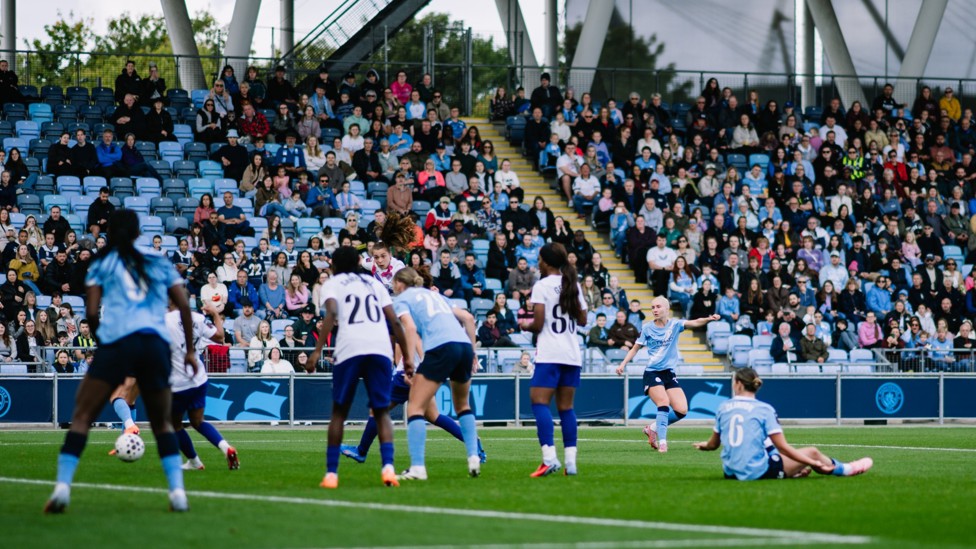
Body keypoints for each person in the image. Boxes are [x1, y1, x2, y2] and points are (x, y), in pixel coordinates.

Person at [45, 210, 197, 513]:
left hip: (117, 343)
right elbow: (183, 305)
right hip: (154, 345)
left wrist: (102, 339)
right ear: (139, 232)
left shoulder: (103, 262)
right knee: (161, 423)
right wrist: (190, 350)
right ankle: (177, 493)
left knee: (82, 416)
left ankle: (62, 488)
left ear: (110, 232)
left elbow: (89, 311)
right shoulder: (157, 260)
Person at [305, 247, 411, 489]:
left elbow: (331, 313)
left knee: (339, 413)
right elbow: (394, 321)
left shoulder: (333, 283)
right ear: (358, 261)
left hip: (350, 347)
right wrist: (408, 360)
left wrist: (317, 350)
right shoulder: (374, 283)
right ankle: (388, 469)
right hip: (381, 348)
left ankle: (331, 474)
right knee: (382, 411)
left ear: (334, 264)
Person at [694, 367, 874, 480]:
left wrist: (705, 446)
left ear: (739, 384)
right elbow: (784, 448)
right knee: (812, 451)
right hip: (756, 472)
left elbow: (713, 445)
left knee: (762, 440)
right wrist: (812, 462)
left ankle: (793, 472)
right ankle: (844, 469)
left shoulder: (723, 406)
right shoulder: (764, 409)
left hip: (730, 473)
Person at [390, 267, 481, 480]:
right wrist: (473, 353)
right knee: (463, 406)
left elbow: (410, 329)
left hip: (441, 348)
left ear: (400, 284)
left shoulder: (402, 300)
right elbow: (468, 318)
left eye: (394, 284)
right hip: (464, 346)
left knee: (415, 406)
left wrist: (409, 363)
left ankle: (418, 468)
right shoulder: (435, 295)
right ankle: (473, 457)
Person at [517, 243, 588, 476]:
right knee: (567, 408)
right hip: (572, 353)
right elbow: (584, 319)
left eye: (539, 259)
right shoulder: (573, 284)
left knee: (538, 402)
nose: (538, 262)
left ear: (546, 262)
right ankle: (571, 463)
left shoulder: (542, 286)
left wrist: (525, 324)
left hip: (550, 353)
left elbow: (537, 324)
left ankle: (549, 458)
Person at [615, 296, 720, 453]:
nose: (655, 310)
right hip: (652, 372)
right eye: (652, 307)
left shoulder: (675, 325)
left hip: (668, 373)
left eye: (658, 307)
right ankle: (663, 442)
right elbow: (635, 348)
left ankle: (652, 428)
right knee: (663, 402)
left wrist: (709, 319)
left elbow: (695, 322)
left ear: (666, 308)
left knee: (682, 410)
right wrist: (623, 364)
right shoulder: (647, 328)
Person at [166, 300, 239, 471]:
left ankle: (194, 461)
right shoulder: (197, 318)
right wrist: (214, 314)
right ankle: (226, 447)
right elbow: (221, 337)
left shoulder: (164, 320)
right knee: (198, 421)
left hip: (179, 382)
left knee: (174, 424)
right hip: (199, 377)